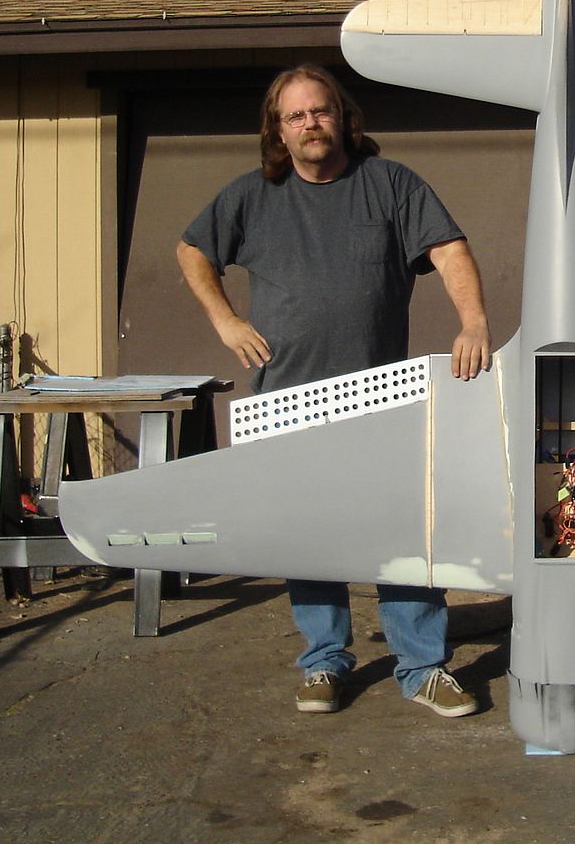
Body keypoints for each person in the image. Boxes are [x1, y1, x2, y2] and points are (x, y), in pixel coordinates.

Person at [176, 63, 491, 718]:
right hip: (286, 401)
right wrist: (225, 320)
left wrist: (474, 323)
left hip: (382, 397)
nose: (310, 123)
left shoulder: (390, 184)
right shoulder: (252, 197)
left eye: (320, 110)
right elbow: (192, 251)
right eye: (295, 116)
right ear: (278, 130)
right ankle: (324, 661)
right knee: (308, 533)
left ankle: (422, 667)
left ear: (343, 118)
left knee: (403, 530)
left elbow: (449, 250)